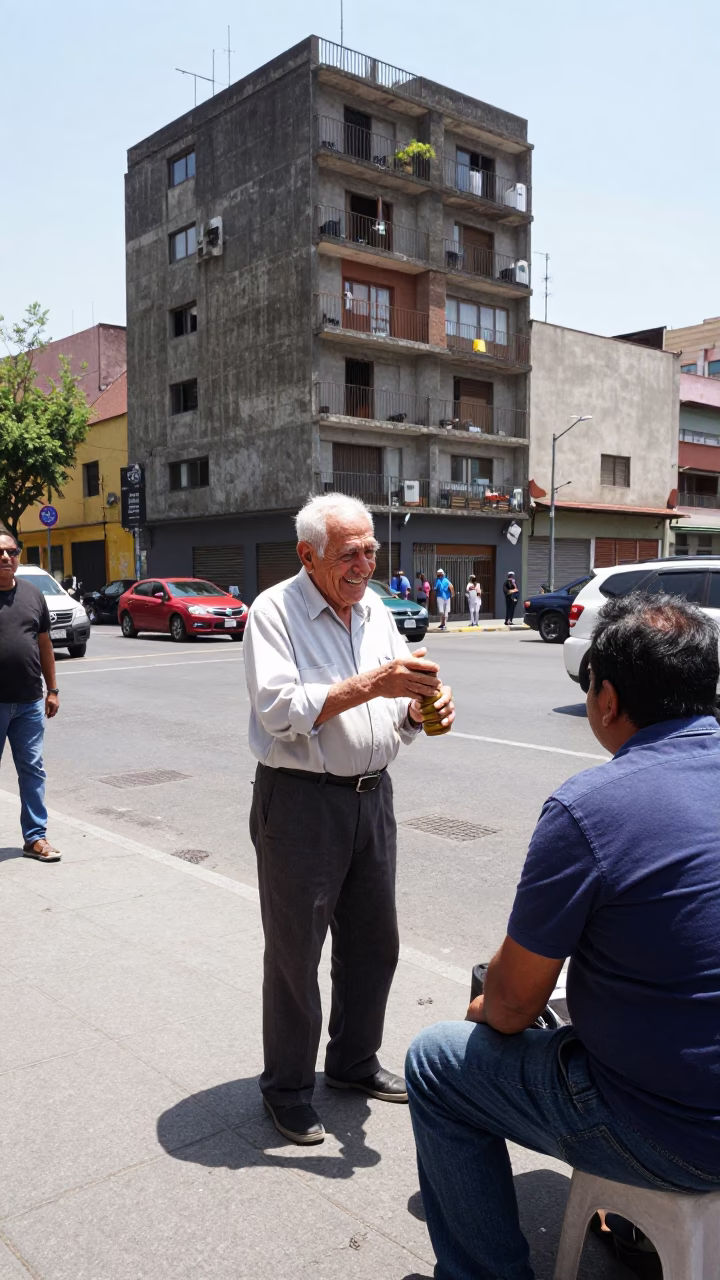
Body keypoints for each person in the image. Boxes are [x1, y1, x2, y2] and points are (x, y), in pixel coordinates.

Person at [405, 593, 720, 1280]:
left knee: (437, 1060)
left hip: (682, 1132)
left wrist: (487, 1010)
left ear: (606, 698)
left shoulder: (593, 807)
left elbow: (515, 1005)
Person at [244, 494, 454, 1146]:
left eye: (370, 550)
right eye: (349, 553)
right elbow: (279, 709)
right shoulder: (273, 611)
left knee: (374, 943)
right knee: (294, 955)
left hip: (372, 797)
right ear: (308, 556)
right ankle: (285, 1088)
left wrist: (423, 709)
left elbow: (398, 706)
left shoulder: (375, 614)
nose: (364, 564)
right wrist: (378, 684)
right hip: (301, 801)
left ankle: (353, 1063)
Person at [0, 530, 61, 861]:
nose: (6, 558)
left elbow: (44, 644)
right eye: (0, 553)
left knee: (33, 769)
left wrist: (52, 689)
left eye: (12, 552)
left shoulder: (33, 595)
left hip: (28, 702)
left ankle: (35, 837)